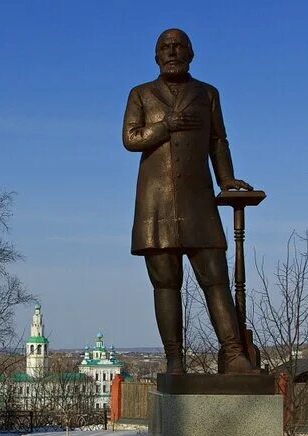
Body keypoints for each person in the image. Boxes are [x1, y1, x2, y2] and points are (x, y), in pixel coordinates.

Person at [123, 28, 254, 375]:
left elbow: (218, 141)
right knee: (165, 281)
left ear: (191, 54)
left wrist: (226, 179)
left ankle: (233, 353)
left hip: (198, 200)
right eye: (165, 47)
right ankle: (174, 359)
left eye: (179, 46)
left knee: (215, 276)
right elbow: (131, 138)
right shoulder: (141, 94)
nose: (172, 51)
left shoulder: (207, 94)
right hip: (156, 202)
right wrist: (165, 126)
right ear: (156, 56)